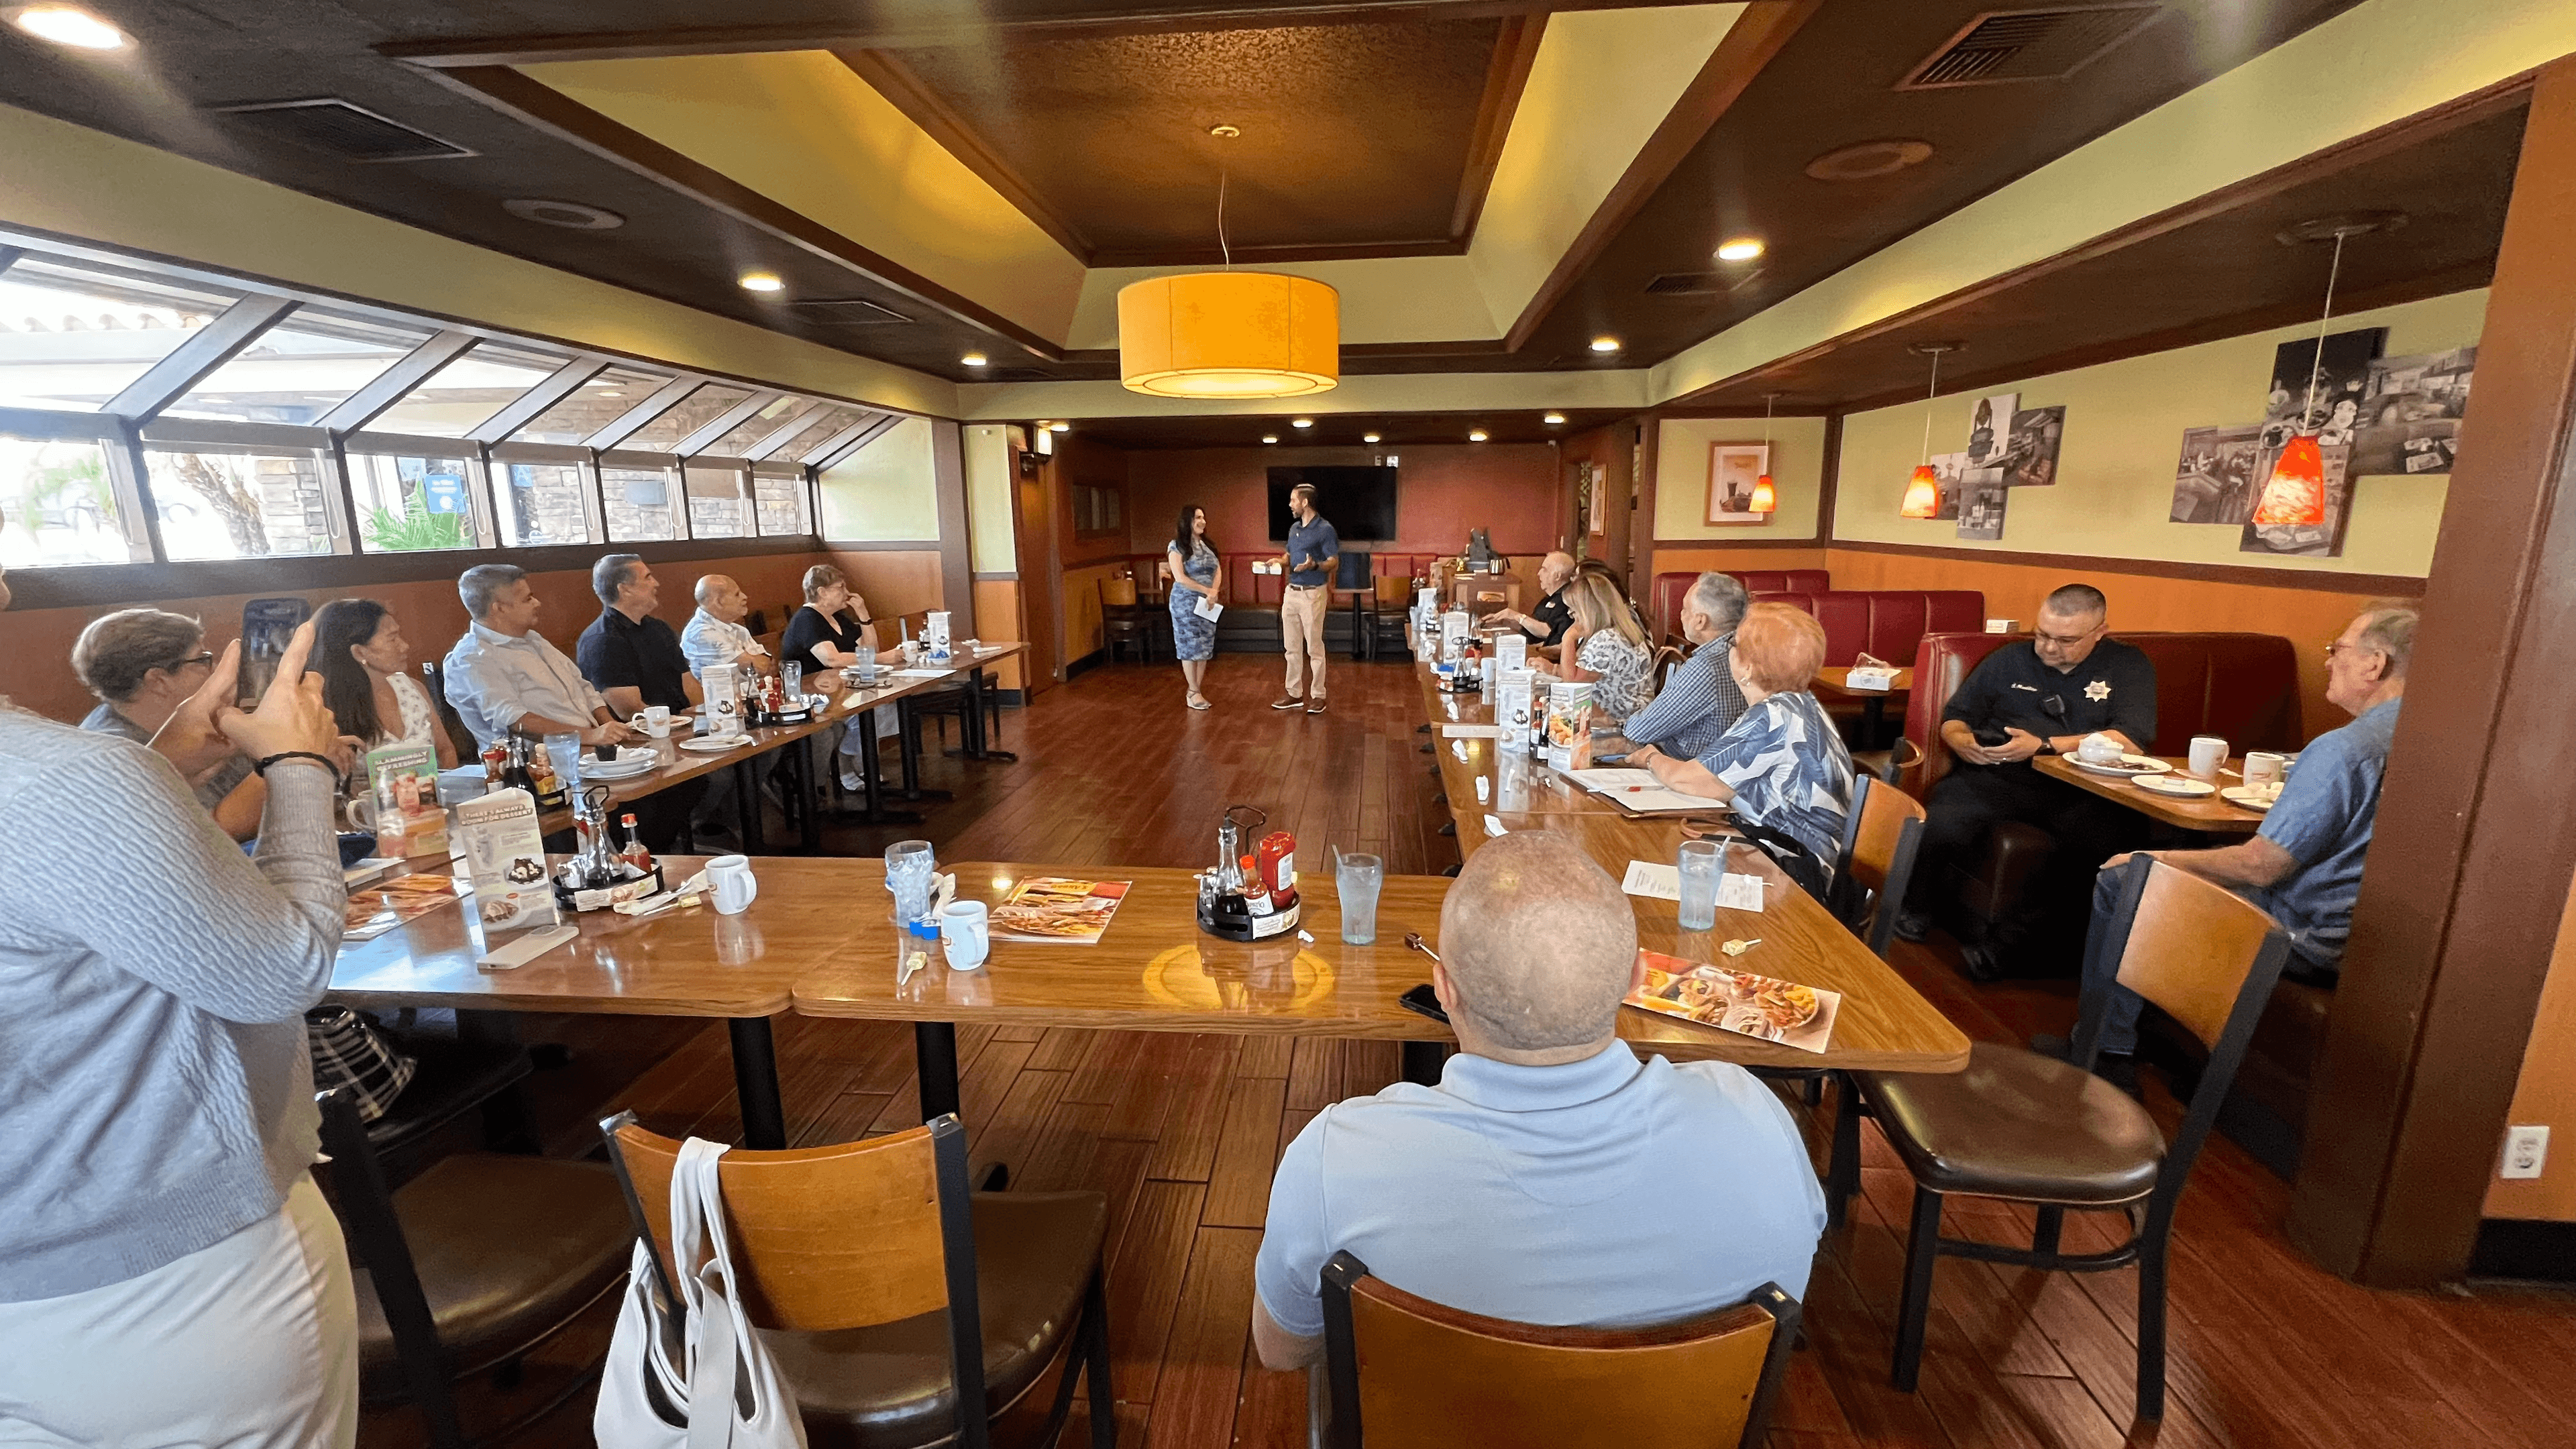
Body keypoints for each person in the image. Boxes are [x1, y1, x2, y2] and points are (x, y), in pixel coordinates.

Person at [1250, 833, 1823, 1367]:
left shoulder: (1336, 1158)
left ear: (1445, 991)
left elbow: (1282, 1349)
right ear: (1636, 977)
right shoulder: (1758, 1119)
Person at [1, 603, 360, 1446]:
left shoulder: (74, 779)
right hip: (167, 1285)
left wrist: (167, 769)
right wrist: (301, 765)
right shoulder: (57, 778)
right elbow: (281, 972)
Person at [2061, 604, 2414, 1085]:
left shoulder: (2344, 749)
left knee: (2123, 879)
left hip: (2309, 936)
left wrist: (2151, 858)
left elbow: (2261, 867)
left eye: (2339, 651)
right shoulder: (2430, 737)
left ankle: (2103, 1052)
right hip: (2382, 939)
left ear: (2374, 665)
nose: (2329, 662)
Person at [1898, 584, 2157, 980]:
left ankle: (2004, 952)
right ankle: (1913, 909)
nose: (2049, 649)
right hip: (1997, 773)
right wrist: (1961, 741)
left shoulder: (2127, 665)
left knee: (2107, 842)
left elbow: (2131, 739)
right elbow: (1956, 716)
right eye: (2042, 635)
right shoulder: (2007, 660)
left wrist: (2046, 745)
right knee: (1943, 820)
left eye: (2066, 640)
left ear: (2100, 632)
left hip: (2079, 785)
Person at [1627, 602, 1855, 864]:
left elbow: (1689, 780)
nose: (1728, 651)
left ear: (1748, 669)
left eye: (1732, 644)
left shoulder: (1772, 717)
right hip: (1785, 848)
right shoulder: (1802, 702)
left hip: (1797, 870)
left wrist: (1649, 758)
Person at [73, 608, 268, 841]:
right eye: (202, 659)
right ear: (159, 681)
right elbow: (197, 839)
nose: (214, 668)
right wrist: (291, 758)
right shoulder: (115, 758)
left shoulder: (179, 720)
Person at [1600, 572, 1750, 760]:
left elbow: (1639, 731)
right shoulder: (1750, 652)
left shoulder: (1705, 667)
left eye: (1685, 609)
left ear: (1701, 621)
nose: (1681, 615)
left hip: (1685, 768)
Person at [311, 598, 458, 769]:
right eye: (392, 639)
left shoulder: (413, 689)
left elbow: (446, 750)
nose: (405, 646)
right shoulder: (325, 709)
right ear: (359, 652)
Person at [576, 553, 700, 722]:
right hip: (642, 735)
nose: (656, 584)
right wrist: (677, 720)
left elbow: (688, 682)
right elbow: (630, 711)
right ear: (625, 589)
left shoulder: (659, 628)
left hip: (682, 722)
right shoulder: (602, 640)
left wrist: (706, 713)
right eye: (648, 578)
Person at [1540, 572, 1654, 725]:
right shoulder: (1623, 631)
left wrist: (1569, 637)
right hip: (1633, 718)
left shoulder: (1606, 640)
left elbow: (1571, 687)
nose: (1571, 615)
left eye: (1573, 610)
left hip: (1618, 726)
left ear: (1589, 610)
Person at [1273, 482, 1338, 716]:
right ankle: (1294, 693)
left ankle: (1318, 695)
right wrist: (1280, 562)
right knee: (1291, 647)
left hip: (1313, 594)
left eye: (1293, 500)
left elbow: (1333, 561)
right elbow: (1290, 555)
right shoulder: (1294, 529)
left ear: (1305, 502)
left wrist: (1315, 565)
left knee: (1314, 648)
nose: (1290, 505)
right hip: (1291, 592)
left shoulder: (1325, 529)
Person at [1167, 504, 1223, 711]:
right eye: (1198, 517)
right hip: (1185, 603)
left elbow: (1217, 570)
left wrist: (1214, 591)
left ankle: (1196, 690)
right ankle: (1193, 691)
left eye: (1204, 518)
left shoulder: (1207, 544)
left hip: (1207, 603)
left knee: (1204, 647)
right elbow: (1180, 577)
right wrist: (1206, 590)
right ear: (1187, 521)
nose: (1203, 521)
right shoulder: (1176, 546)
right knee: (1189, 646)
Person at [780, 564, 874, 677]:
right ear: (823, 592)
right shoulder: (806, 619)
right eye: (841, 587)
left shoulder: (838, 617)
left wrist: (864, 616)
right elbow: (832, 660)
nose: (847, 592)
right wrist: (883, 658)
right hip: (810, 690)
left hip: (842, 688)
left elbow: (871, 650)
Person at [680, 574, 771, 680]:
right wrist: (755, 661)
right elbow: (758, 667)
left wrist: (757, 662)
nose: (745, 597)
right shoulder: (701, 632)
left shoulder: (739, 630)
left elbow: (769, 668)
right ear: (719, 602)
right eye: (737, 594)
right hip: (715, 697)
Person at [1490, 549, 1576, 656]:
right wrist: (1506, 620)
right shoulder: (1549, 597)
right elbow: (1532, 625)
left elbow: (1549, 632)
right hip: (1526, 648)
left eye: (1544, 570)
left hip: (1539, 656)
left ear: (1557, 576)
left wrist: (1518, 616)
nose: (1539, 574)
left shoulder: (1566, 601)